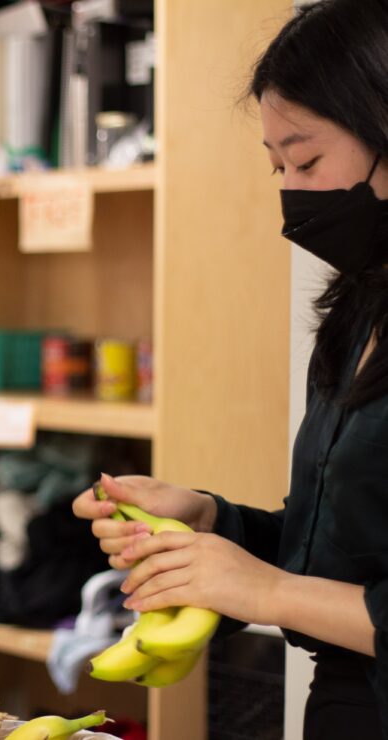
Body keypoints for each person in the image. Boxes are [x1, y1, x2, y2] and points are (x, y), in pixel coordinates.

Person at [73, 2, 388, 737]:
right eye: (277, 166)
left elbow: (304, 590)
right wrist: (214, 524)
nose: (292, 192)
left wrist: (269, 593)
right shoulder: (357, 316)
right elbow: (342, 554)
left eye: (307, 160)